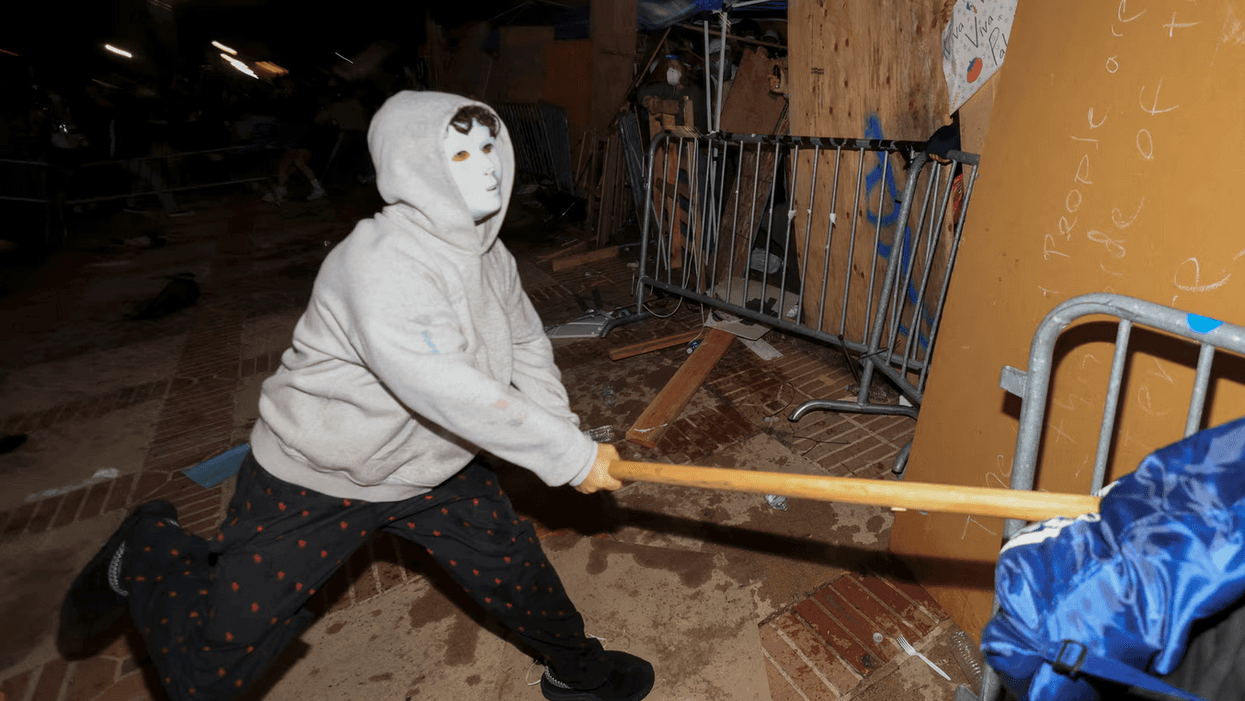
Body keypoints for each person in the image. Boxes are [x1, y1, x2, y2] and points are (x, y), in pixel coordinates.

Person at [58, 91, 655, 701]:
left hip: (434, 466)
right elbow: (440, 383)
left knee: (516, 574)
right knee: (209, 672)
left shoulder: (488, 253)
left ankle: (578, 672)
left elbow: (526, 340)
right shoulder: (379, 261)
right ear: (412, 166)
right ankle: (148, 549)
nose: (487, 167)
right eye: (459, 153)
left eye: (487, 147)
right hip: (318, 474)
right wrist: (567, 454)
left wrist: (561, 426)